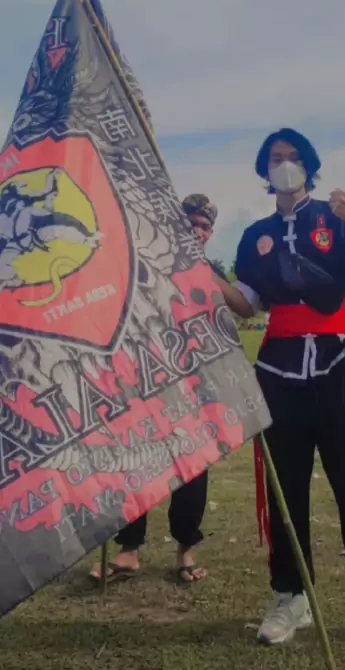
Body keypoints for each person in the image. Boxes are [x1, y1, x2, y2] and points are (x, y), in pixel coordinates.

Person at [219, 128, 345, 659]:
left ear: (309, 167)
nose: (285, 165)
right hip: (278, 369)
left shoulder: (336, 218)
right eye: (276, 158)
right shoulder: (256, 234)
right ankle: (291, 596)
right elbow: (247, 302)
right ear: (265, 170)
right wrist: (200, 272)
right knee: (284, 488)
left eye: (293, 158)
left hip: (338, 364)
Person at [90, 193, 226, 584]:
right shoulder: (144, 263)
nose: (197, 231)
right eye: (190, 223)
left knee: (192, 467)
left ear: (210, 232)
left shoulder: (213, 272)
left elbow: (232, 316)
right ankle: (129, 549)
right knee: (136, 462)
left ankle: (186, 548)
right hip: (146, 380)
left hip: (194, 382)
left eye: (204, 226)